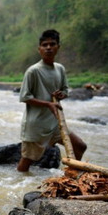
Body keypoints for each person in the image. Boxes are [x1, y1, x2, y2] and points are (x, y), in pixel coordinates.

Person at [17, 30, 87, 173]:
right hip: (37, 124)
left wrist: (61, 94)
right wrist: (48, 103)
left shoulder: (60, 69)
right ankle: (18, 184)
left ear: (58, 47)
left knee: (79, 146)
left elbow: (65, 91)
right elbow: (24, 97)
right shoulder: (33, 71)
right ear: (39, 49)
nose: (48, 47)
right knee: (27, 160)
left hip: (56, 123)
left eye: (52, 44)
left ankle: (70, 177)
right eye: (45, 45)